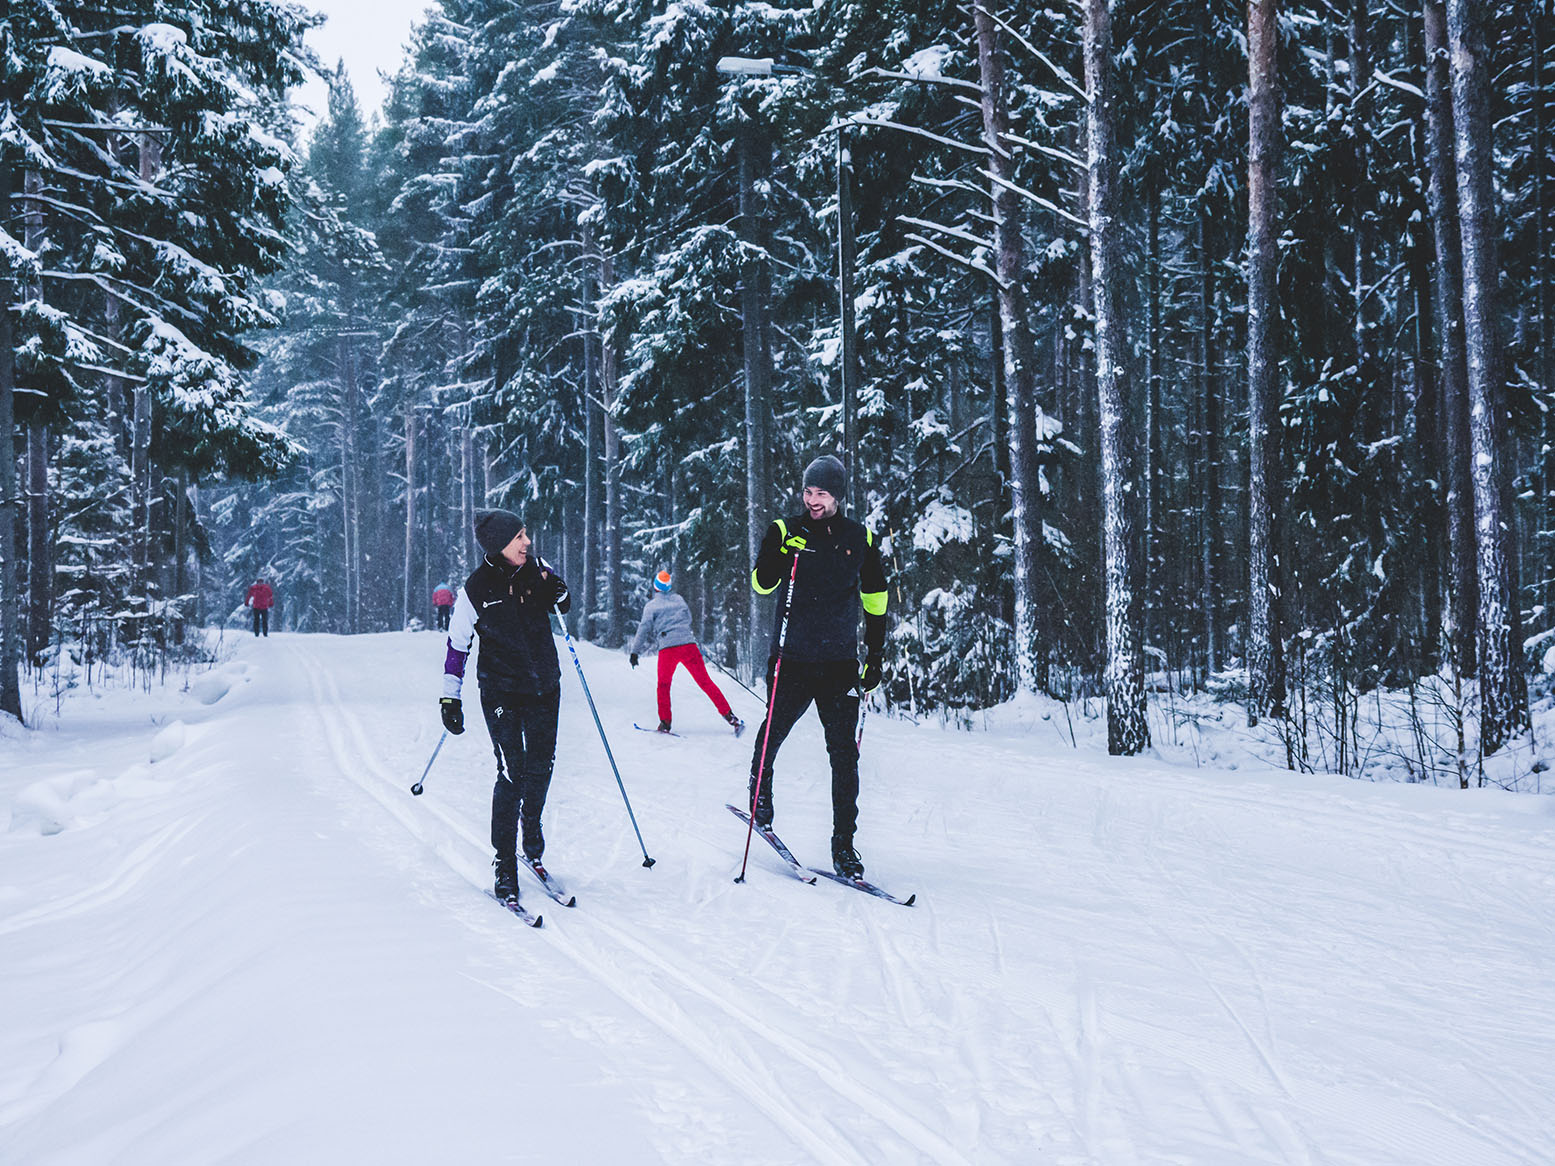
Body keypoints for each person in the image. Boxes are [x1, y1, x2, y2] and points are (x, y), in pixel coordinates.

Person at [747, 454, 888, 879]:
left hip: (840, 664)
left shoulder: (858, 537)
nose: (812, 500)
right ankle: (760, 791)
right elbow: (761, 583)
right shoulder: (785, 530)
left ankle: (844, 846)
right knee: (774, 731)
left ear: (838, 496)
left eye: (821, 494)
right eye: (808, 492)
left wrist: (875, 657)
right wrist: (778, 554)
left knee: (845, 757)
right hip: (792, 658)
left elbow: (876, 600)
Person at [438, 508, 571, 903]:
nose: (527, 543)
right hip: (501, 691)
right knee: (512, 770)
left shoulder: (538, 568)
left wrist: (558, 590)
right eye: (519, 538)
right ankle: (504, 862)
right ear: (498, 545)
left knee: (542, 764)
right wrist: (450, 696)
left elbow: (561, 605)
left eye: (526, 535)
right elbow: (458, 645)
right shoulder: (475, 589)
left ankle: (531, 832)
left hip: (545, 685)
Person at [629, 569, 744, 736]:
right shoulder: (679, 600)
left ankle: (665, 723)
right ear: (669, 587)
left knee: (663, 685)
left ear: (655, 587)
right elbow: (688, 619)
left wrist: (634, 652)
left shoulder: (651, 606)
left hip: (668, 648)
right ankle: (731, 718)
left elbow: (643, 629)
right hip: (689, 645)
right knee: (705, 682)